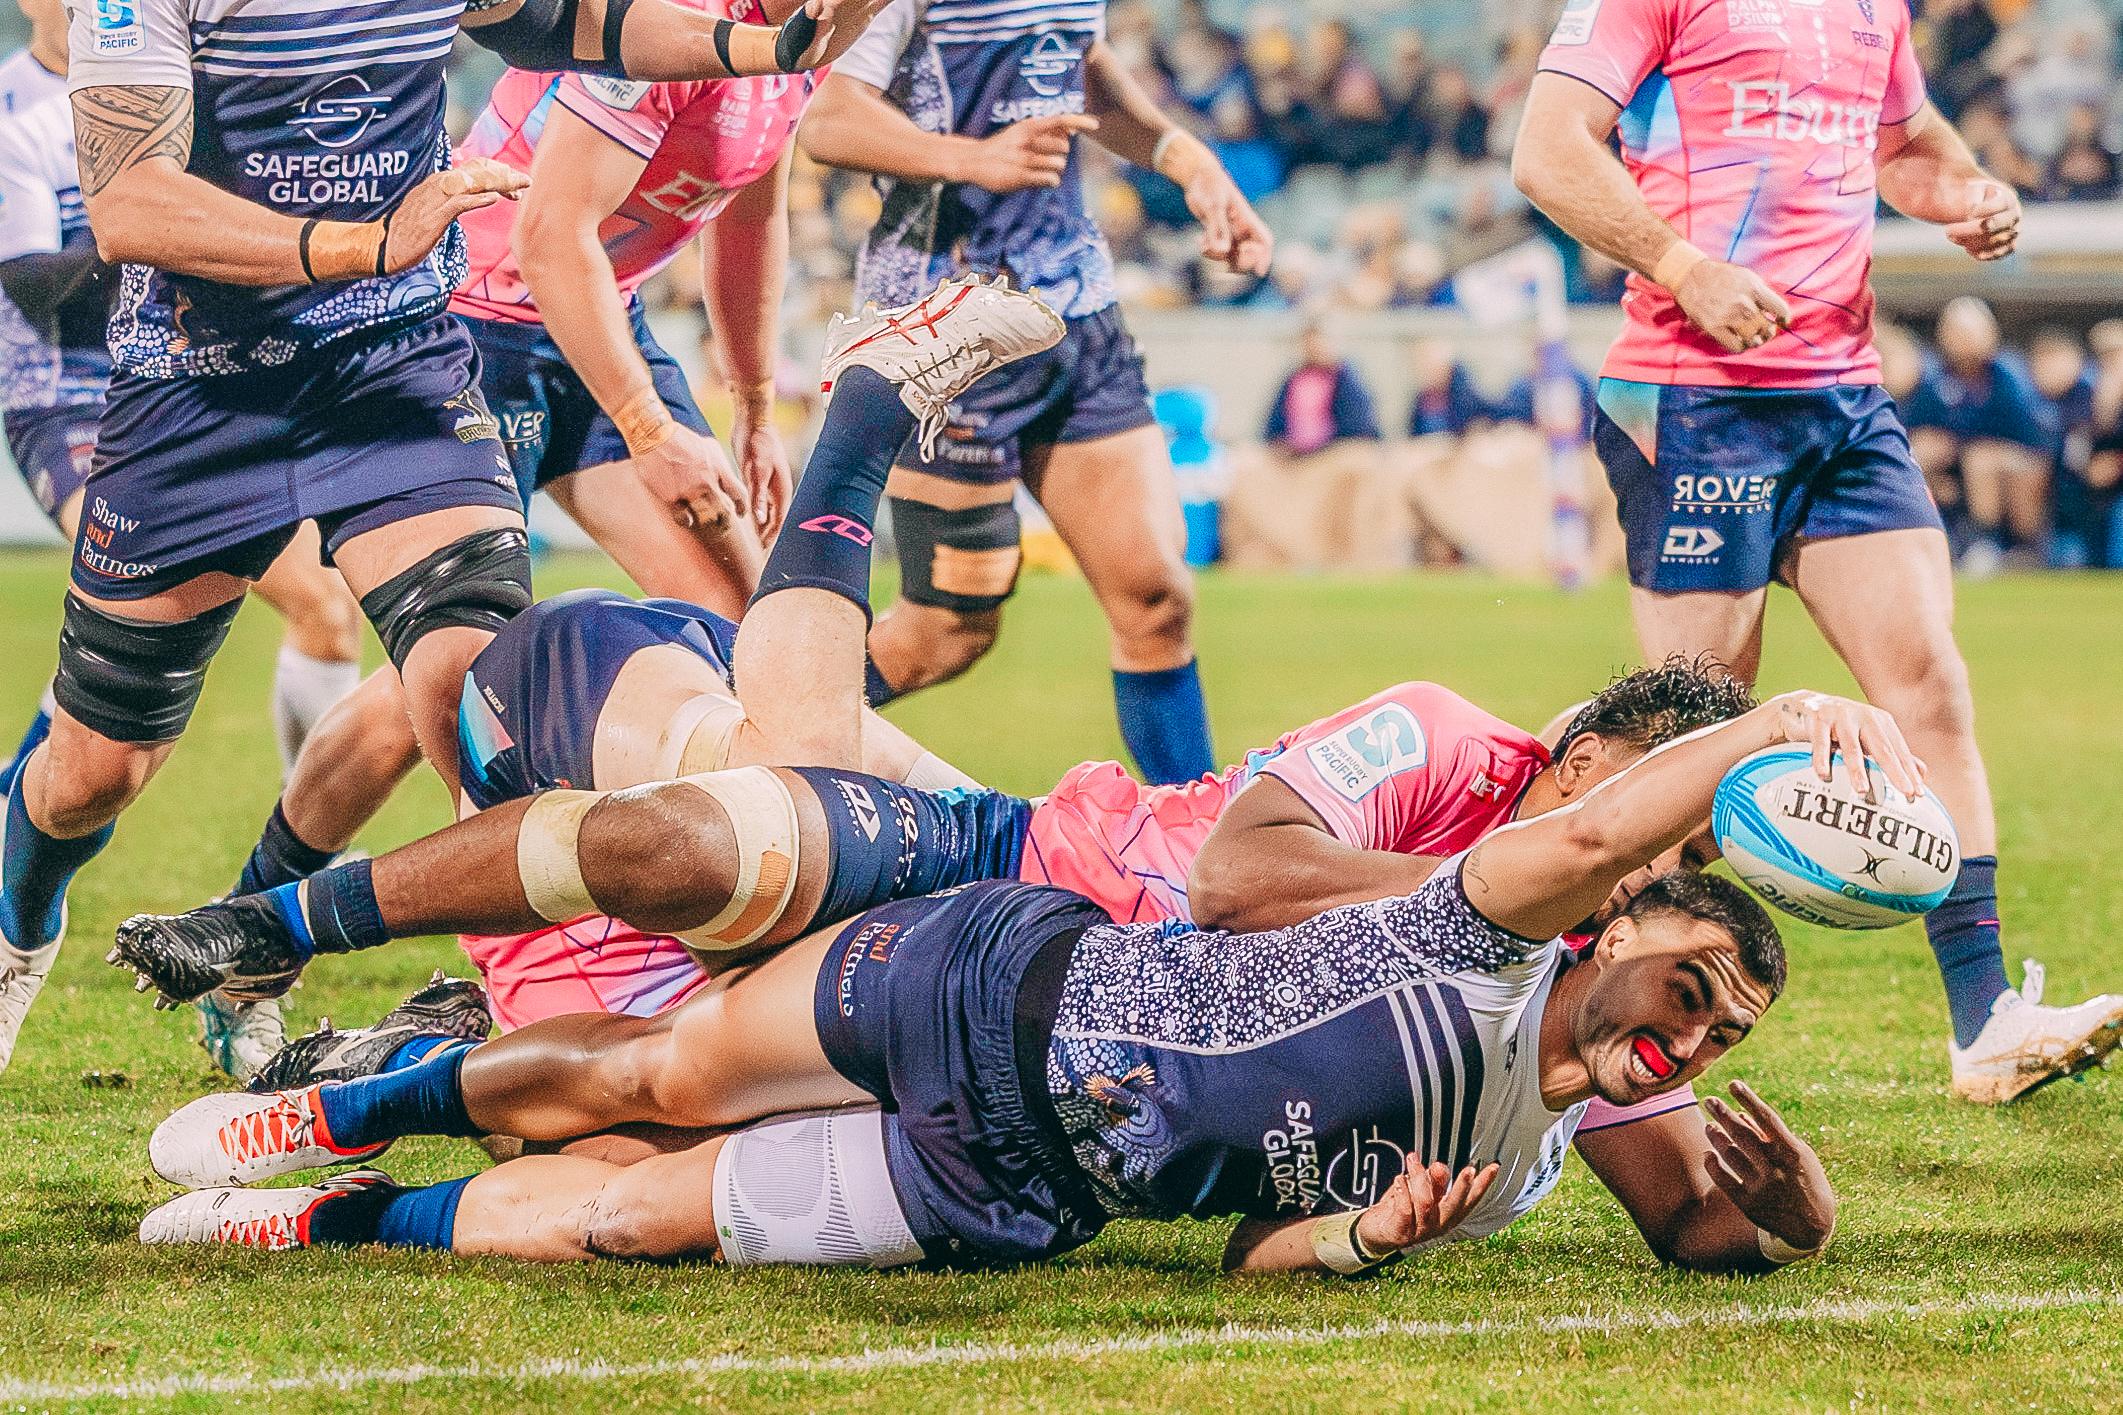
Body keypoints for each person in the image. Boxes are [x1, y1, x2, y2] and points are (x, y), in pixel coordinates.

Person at [136, 687, 1883, 1276]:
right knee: (645, 1076)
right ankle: (334, 1107)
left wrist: (1361, 1242)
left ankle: (324, 1220)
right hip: (991, 981)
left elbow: (1252, 1258)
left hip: (1005, 1187)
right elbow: (1587, 846)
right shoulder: (1482, 921)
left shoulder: (1507, 1176)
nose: (1699, 1035)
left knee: (623, 1221)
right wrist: (1777, 730)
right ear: (1613, 922)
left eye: (1728, 1031)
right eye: (1691, 977)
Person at [0, 0, 892, 1066]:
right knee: (93, 772)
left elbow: (584, 23)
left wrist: (768, 47)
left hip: (394, 370)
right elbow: (132, 209)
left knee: (479, 687)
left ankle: (532, 1008)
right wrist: (365, 242)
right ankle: (21, 916)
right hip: (198, 396)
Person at [1511, 0, 2123, 1102]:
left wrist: (1969, 193)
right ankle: (1513, 978)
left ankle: (1984, 1025)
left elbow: (1906, 147)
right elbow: (1545, 148)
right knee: (1688, 729)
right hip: (1693, 395)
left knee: (1927, 684)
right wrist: (1680, 264)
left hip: (1839, 396)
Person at [210, 0, 846, 911]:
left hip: (595, 325)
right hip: (471, 329)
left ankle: (674, 918)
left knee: (744, 626)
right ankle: (256, 926)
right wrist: (652, 428)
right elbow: (551, 241)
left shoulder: (800, 42)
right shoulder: (675, 21)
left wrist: (749, 404)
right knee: (444, 682)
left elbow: (748, 220)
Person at [797, 0, 1273, 783]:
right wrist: (970, 158)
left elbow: (1076, 64)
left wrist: (1185, 158)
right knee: (944, 632)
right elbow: (827, 119)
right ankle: (741, 724)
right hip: (948, 329)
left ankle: (1194, 856)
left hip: (1076, 317)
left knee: (1156, 601)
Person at [1904, 297, 2053, 574]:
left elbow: (2029, 436)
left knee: (1982, 458)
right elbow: (1916, 431)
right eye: (1956, 332)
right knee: (1919, 452)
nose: (1963, 340)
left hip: (2017, 464)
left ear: (1990, 333)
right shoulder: (1936, 379)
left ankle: (1990, 543)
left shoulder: (2008, 375)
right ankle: (1916, 542)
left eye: (1970, 332)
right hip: (1957, 468)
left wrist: (1960, 445)